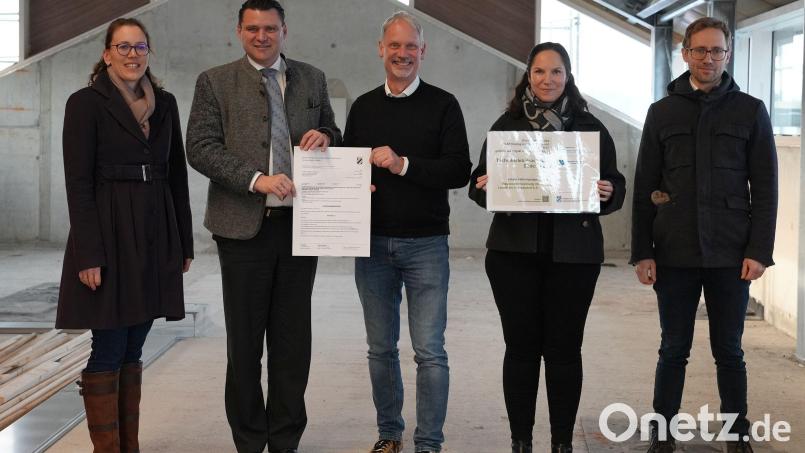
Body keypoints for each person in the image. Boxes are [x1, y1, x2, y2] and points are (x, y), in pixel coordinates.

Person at [185, 1, 340, 452]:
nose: (261, 36)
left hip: (301, 226)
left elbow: (332, 125)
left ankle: (286, 439)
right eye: (252, 28)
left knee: (293, 343)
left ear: (284, 31)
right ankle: (251, 440)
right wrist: (256, 180)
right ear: (239, 31)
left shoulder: (312, 77)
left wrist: (327, 135)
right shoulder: (214, 81)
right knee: (246, 342)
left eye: (270, 28)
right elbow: (200, 147)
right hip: (242, 230)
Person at [468, 42, 625, 453]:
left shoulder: (591, 128)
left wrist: (608, 191)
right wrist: (484, 187)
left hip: (574, 258)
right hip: (512, 256)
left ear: (568, 77)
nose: (548, 80)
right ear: (529, 77)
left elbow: (615, 183)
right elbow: (478, 184)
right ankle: (521, 441)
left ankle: (561, 443)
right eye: (540, 72)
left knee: (564, 351)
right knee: (520, 350)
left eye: (556, 72)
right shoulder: (506, 126)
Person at [631, 17, 778, 453]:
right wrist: (643, 252)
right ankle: (663, 434)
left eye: (717, 51)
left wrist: (759, 252)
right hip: (674, 250)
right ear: (685, 54)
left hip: (731, 252)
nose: (709, 58)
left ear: (727, 55)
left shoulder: (750, 110)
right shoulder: (662, 112)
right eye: (700, 50)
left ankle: (737, 436)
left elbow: (766, 188)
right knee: (673, 348)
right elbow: (644, 186)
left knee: (729, 351)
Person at [56, 17, 193, 453]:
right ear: (106, 53)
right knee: (110, 343)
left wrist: (184, 243)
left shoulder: (166, 103)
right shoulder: (85, 103)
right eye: (123, 47)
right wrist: (88, 254)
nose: (132, 55)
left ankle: (126, 445)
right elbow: (78, 184)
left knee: (135, 344)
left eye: (140, 47)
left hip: (155, 229)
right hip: (110, 232)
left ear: (148, 53)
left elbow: (177, 176)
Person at [342, 11, 471, 453]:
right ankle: (389, 435)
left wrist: (403, 165)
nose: (402, 54)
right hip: (371, 244)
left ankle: (429, 443)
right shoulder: (362, 106)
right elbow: (347, 168)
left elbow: (458, 170)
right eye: (394, 46)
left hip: (426, 245)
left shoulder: (444, 104)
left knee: (430, 352)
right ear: (381, 50)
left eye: (410, 46)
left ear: (423, 51)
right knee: (380, 349)